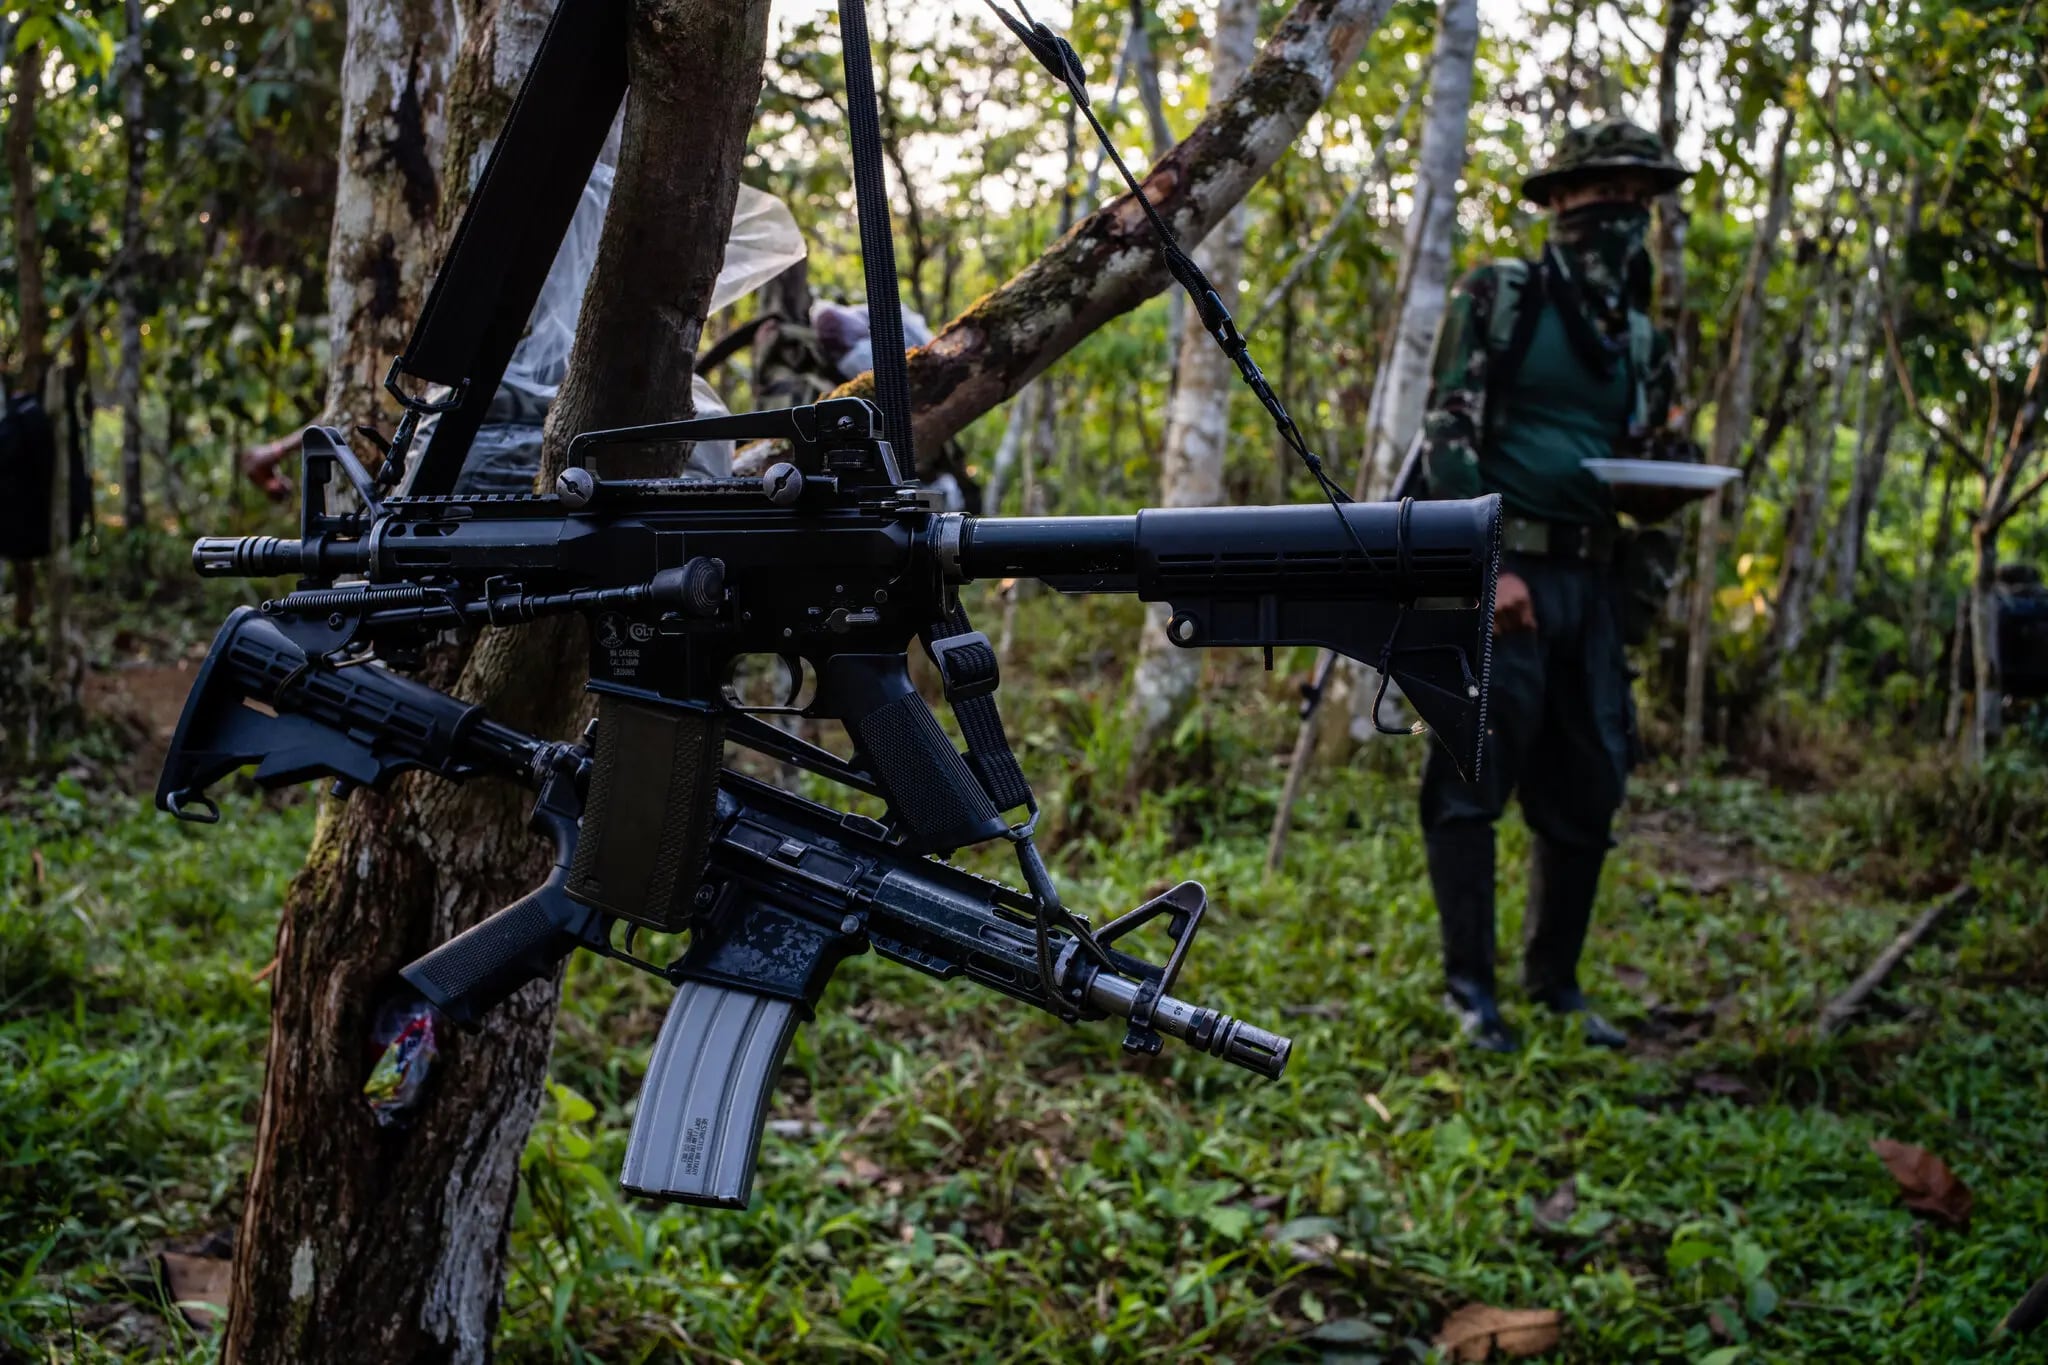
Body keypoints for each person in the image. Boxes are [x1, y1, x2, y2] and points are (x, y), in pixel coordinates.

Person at [1415, 119, 1693, 1052]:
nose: (1623, 213)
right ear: (1561, 201)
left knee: (1589, 785)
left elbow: (1651, 467)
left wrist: (1670, 469)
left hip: (1595, 580)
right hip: (1506, 573)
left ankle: (1556, 984)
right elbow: (1447, 431)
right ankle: (1470, 991)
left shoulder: (1643, 337)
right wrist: (1483, 569)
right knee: (1470, 777)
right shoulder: (1503, 294)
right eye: (1603, 193)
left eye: (1640, 198)